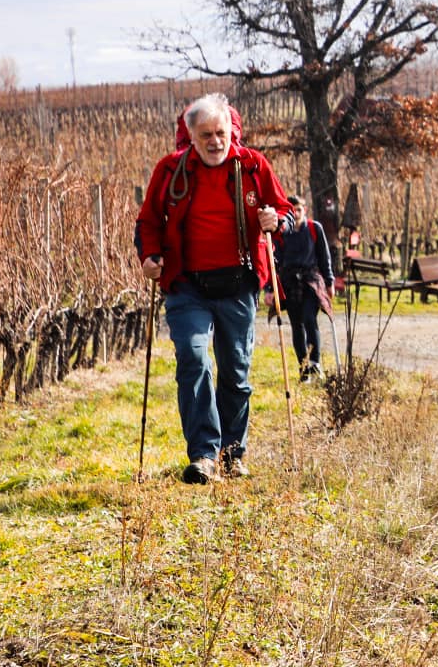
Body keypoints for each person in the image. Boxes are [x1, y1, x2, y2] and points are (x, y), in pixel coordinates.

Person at [134, 93, 292, 485]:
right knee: (193, 357)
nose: (215, 141)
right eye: (205, 134)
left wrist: (276, 220)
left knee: (236, 372)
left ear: (230, 131)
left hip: (238, 283)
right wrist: (150, 256)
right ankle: (204, 455)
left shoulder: (253, 166)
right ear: (190, 136)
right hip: (187, 285)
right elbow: (148, 221)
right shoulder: (171, 170)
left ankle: (232, 454)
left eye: (220, 133)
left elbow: (283, 210)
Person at [273, 193, 334, 382]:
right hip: (290, 282)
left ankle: (315, 364)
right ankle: (304, 368)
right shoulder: (282, 233)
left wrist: (329, 281)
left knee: (310, 319)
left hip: (311, 281)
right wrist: (270, 288)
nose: (296, 213)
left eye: (299, 210)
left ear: (304, 210)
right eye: (292, 211)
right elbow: (275, 261)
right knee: (296, 326)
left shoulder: (315, 229)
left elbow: (324, 256)